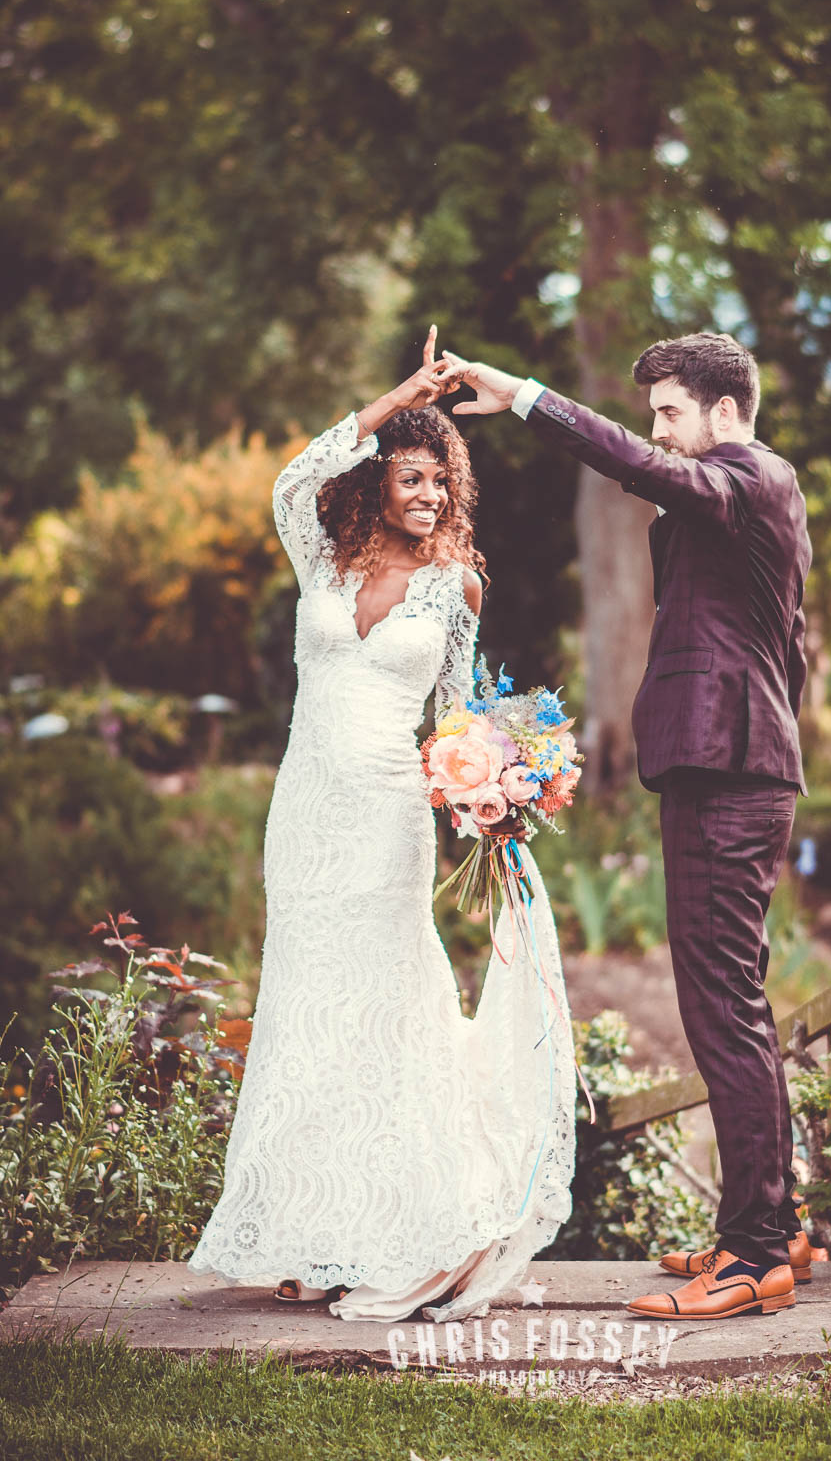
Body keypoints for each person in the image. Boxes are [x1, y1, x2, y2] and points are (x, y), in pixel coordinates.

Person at [188, 329, 575, 1323]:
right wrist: (405, 396)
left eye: (442, 481)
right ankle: (313, 1235)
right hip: (304, 815)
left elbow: (455, 714)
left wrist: (494, 788)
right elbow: (291, 482)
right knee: (307, 1004)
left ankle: (405, 1229)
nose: (430, 494)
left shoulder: (456, 586)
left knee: (386, 1001)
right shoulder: (321, 561)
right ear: (377, 482)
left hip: (388, 818)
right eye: (412, 477)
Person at [447, 331, 812, 1322]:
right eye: (651, 414)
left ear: (724, 409)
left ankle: (753, 1257)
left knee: (720, 1006)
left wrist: (522, 396)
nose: (657, 432)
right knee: (733, 1001)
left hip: (726, 770)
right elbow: (785, 643)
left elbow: (636, 465)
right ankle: (771, 1227)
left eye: (669, 412)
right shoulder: (744, 497)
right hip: (734, 762)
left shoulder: (748, 476)